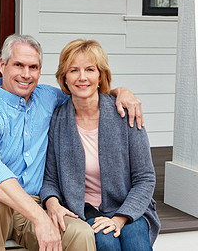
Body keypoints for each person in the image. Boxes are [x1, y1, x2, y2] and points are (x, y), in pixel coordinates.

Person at [0, 34, 143, 251]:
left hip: (35, 203)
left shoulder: (48, 98)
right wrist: (41, 218)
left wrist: (120, 93)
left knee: (82, 233)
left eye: (33, 67)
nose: (26, 75)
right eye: (18, 65)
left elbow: (84, 92)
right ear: (2, 65)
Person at [40, 39, 160, 251]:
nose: (82, 77)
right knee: (105, 240)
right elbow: (50, 179)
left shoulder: (124, 113)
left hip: (128, 206)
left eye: (90, 69)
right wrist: (52, 203)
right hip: (83, 211)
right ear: (65, 78)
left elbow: (145, 178)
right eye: (74, 70)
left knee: (135, 238)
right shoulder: (57, 120)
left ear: (100, 76)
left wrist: (120, 219)